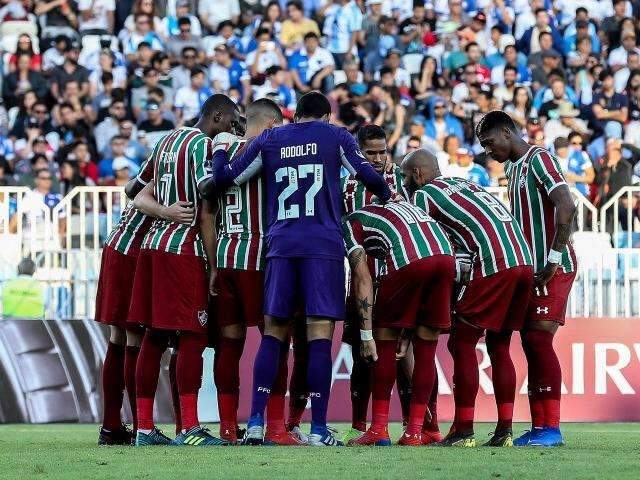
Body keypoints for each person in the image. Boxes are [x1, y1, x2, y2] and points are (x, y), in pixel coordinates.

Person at [212, 91, 392, 446]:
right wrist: (386, 193)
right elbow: (367, 175)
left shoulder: (271, 137)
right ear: (326, 117)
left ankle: (255, 423)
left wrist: (219, 148)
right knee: (319, 335)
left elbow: (225, 178)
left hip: (280, 245)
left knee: (274, 332)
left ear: (296, 116)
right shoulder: (335, 135)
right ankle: (318, 429)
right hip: (322, 246)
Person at [128, 94, 243, 447]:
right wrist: (212, 264)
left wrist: (162, 210)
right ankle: (189, 428)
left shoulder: (165, 140)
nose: (233, 127)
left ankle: (144, 429)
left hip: (153, 247)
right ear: (218, 117)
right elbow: (206, 206)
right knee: (192, 337)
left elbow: (133, 190)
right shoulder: (201, 146)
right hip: (184, 250)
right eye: (232, 121)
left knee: (154, 336)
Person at [403, 149, 534, 447]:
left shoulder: (425, 195)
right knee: (499, 345)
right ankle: (505, 431)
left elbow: (431, 245)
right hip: (523, 259)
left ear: (418, 175)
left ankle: (463, 429)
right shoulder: (467, 184)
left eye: (406, 176)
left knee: (461, 342)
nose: (404, 183)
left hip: (494, 263)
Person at [476, 110, 578, 447]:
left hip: (553, 265)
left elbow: (566, 206)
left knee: (537, 340)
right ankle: (540, 427)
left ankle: (551, 427)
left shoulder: (539, 158)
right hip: (533, 269)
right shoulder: (512, 167)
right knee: (531, 343)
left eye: (490, 142)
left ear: (507, 132)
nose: (488, 151)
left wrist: (553, 257)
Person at [212, 99, 305, 446]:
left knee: (229, 344)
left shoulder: (220, 145)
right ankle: (275, 426)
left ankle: (226, 427)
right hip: (260, 255)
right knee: (276, 340)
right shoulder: (269, 147)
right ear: (270, 126)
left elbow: (209, 201)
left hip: (225, 254)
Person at [341, 125, 439, 445]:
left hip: (402, 274)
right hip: (363, 278)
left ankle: (424, 423)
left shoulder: (404, 178)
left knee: (407, 355)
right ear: (358, 153)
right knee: (362, 355)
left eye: (383, 151)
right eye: (371, 153)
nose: (380, 158)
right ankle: (361, 426)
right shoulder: (347, 185)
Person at [94, 145, 196, 445]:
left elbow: (130, 188)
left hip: (119, 243)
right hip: (132, 251)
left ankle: (113, 427)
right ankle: (140, 428)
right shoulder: (186, 161)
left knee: (119, 337)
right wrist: (166, 212)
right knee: (133, 336)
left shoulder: (165, 153)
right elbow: (138, 197)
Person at [343, 201, 455, 446]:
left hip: (410, 258)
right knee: (426, 348)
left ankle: (379, 429)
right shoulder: (398, 207)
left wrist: (365, 335)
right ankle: (419, 431)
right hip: (446, 257)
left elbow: (363, 278)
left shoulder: (349, 223)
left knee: (384, 342)